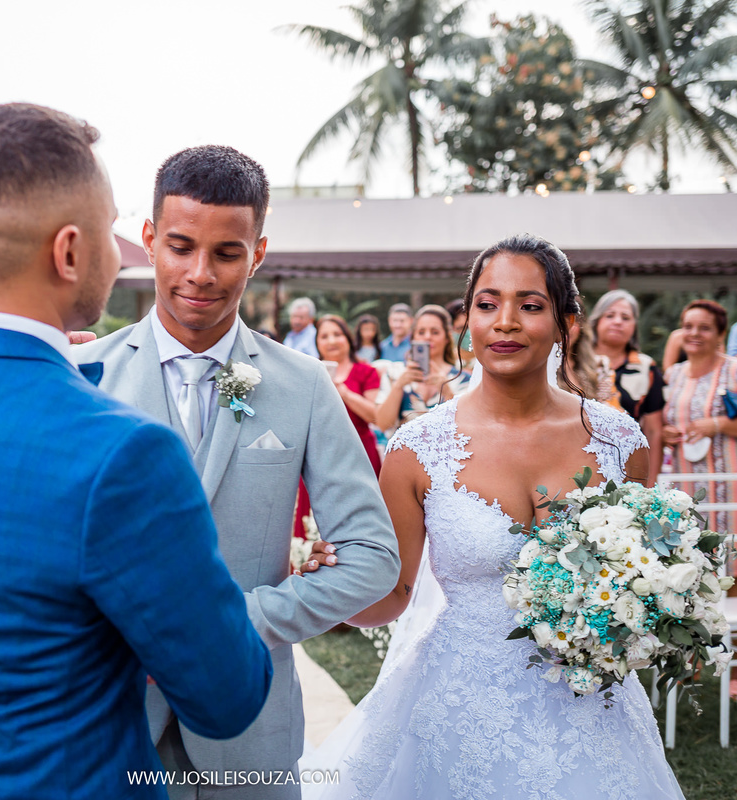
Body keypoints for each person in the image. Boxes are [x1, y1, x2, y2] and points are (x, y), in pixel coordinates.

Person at [0, 105, 272, 800]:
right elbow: (228, 697)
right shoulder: (123, 453)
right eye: (110, 229)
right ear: (70, 251)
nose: (117, 250)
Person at [303, 234, 683, 799]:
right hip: (456, 703)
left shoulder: (619, 440)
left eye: (530, 306)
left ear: (566, 325)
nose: (504, 322)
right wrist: (332, 584)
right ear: (468, 321)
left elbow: (635, 572)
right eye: (486, 304)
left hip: (592, 701)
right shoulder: (417, 449)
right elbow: (393, 595)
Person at [76, 144, 399, 798]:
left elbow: (373, 555)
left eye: (226, 253)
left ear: (257, 254)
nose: (200, 273)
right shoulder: (86, 378)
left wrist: (240, 624)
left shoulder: (303, 385)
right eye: (180, 246)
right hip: (112, 720)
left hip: (252, 725)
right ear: (148, 240)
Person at [663, 299, 737, 697]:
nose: (694, 334)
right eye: (688, 326)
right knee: (689, 578)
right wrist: (665, 434)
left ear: (719, 334)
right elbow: (663, 422)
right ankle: (694, 663)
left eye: (704, 327)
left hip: (734, 489)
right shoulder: (674, 375)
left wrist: (718, 423)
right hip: (687, 493)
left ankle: (736, 671)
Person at [590, 289, 666, 485]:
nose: (618, 322)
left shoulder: (645, 368)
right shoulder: (573, 363)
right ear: (596, 321)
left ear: (634, 326)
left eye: (625, 317)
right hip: (577, 462)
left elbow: (654, 431)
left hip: (629, 466)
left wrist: (650, 484)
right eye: (610, 315)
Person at [376, 304, 466, 434]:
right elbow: (383, 424)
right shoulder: (394, 372)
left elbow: (465, 426)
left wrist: (446, 390)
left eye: (435, 332)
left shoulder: (461, 377)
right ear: (413, 337)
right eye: (421, 332)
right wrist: (398, 386)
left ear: (447, 337)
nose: (428, 337)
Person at [316, 315, 381, 474]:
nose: (331, 341)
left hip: (359, 454)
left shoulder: (367, 372)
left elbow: (375, 417)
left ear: (348, 338)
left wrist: (345, 393)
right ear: (317, 343)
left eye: (337, 334)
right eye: (324, 336)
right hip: (318, 455)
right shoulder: (309, 373)